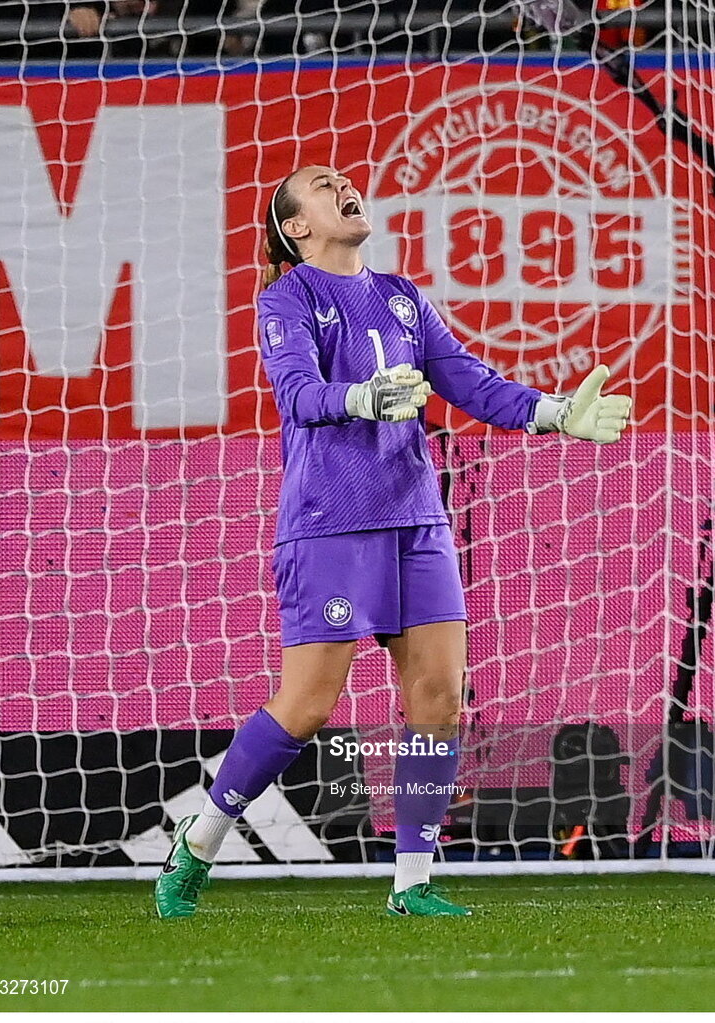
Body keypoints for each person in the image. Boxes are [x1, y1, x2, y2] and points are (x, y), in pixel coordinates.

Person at [154, 165, 631, 918]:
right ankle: (202, 836)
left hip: (416, 519)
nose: (342, 184)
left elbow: (469, 383)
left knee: (437, 699)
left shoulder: (403, 297)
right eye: (319, 184)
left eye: (343, 177)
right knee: (308, 705)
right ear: (297, 227)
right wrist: (360, 397)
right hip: (330, 523)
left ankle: (411, 882)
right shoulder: (288, 298)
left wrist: (554, 411)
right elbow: (297, 393)